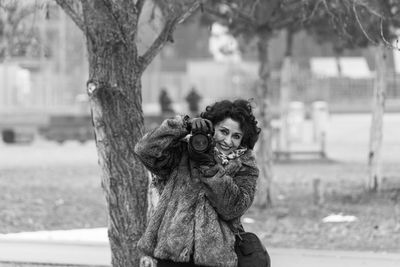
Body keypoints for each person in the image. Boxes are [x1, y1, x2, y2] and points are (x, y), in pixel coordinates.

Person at [134, 99, 261, 267]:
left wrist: (209, 167)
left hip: (216, 259)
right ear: (211, 127)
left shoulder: (245, 166)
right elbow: (144, 150)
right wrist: (183, 125)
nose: (228, 141)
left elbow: (233, 208)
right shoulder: (184, 151)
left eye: (236, 136)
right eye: (223, 131)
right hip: (170, 254)